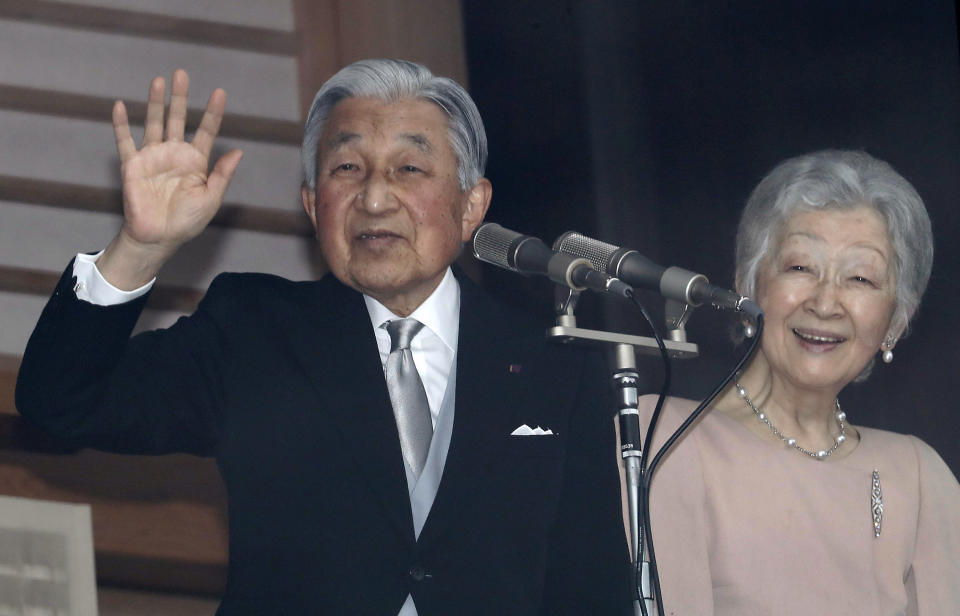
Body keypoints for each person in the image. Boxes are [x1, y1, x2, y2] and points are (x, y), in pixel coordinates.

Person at [16, 59, 631, 614]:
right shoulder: (253, 331)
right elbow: (61, 401)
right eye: (347, 168)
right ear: (313, 205)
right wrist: (142, 246)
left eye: (409, 168)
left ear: (472, 206)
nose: (373, 196)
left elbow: (590, 586)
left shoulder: (553, 362)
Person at [638, 150, 960, 614]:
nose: (826, 302)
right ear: (749, 286)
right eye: (800, 268)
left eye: (861, 278)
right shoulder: (666, 436)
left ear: (897, 319)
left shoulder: (919, 476)